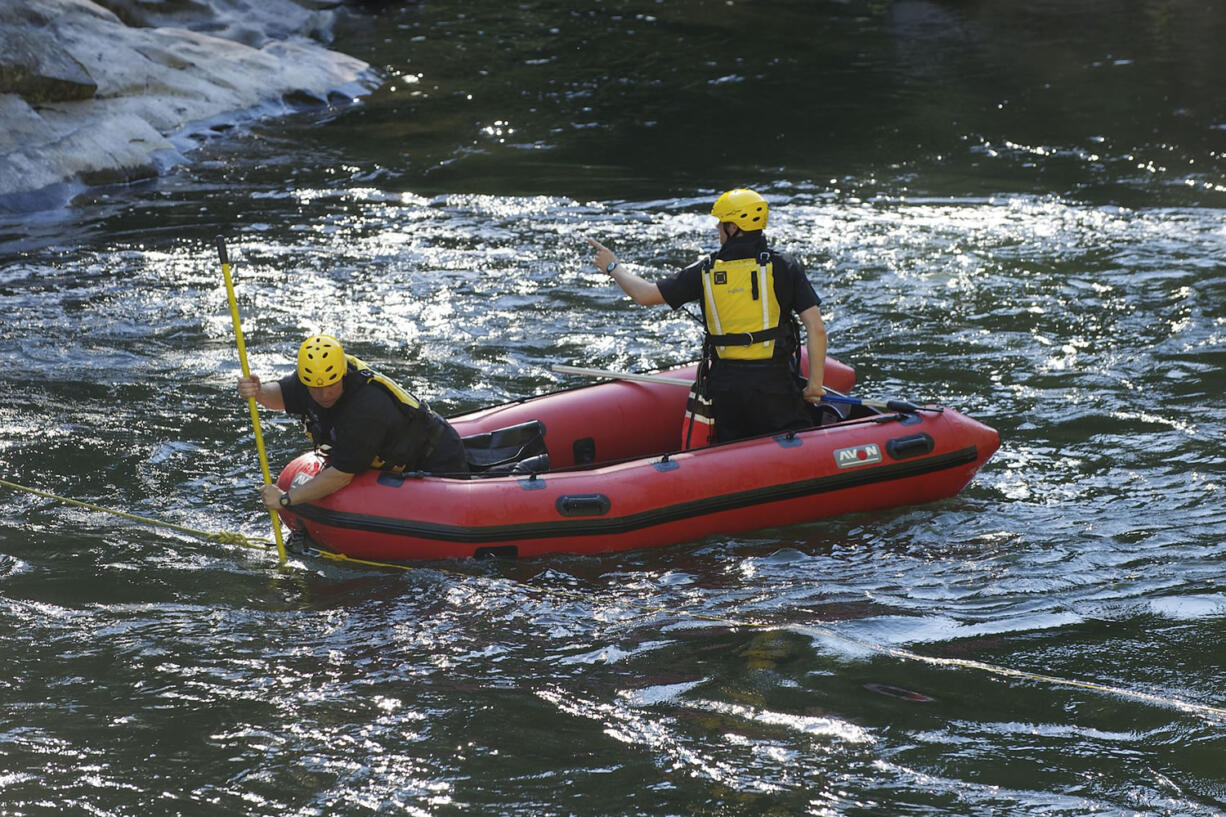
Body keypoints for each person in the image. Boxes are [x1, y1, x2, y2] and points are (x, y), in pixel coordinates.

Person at [588, 188, 827, 443]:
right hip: (776, 386)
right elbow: (816, 329)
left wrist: (613, 267)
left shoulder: (704, 271)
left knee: (734, 450)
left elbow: (645, 295)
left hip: (727, 389)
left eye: (721, 223)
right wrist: (814, 386)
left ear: (734, 227)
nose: (717, 228)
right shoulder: (784, 267)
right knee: (800, 441)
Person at [237, 334, 468, 511]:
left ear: (343, 374)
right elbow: (282, 394)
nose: (324, 394)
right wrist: (258, 391)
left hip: (435, 461)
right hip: (389, 458)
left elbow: (340, 475)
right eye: (316, 388)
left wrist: (286, 499)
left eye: (331, 385)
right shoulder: (314, 377)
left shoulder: (366, 407)